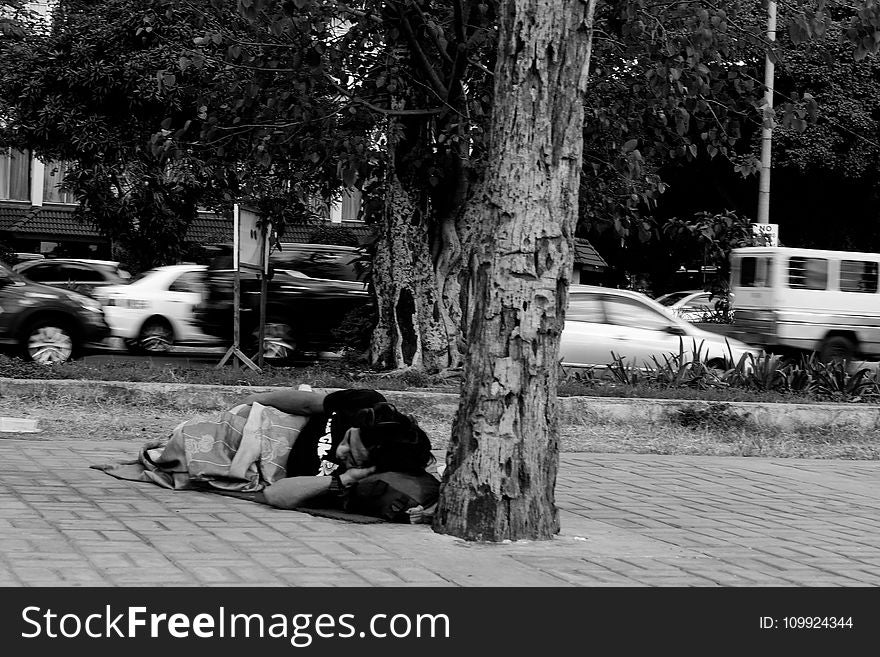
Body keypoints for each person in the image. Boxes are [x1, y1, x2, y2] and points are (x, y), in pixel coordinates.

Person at [233, 387, 436, 519]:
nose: (340, 452)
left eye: (353, 458)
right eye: (348, 439)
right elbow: (307, 403)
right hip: (268, 422)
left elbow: (275, 494)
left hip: (258, 458)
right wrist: (260, 398)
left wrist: (346, 478)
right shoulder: (366, 405)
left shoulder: (358, 481)